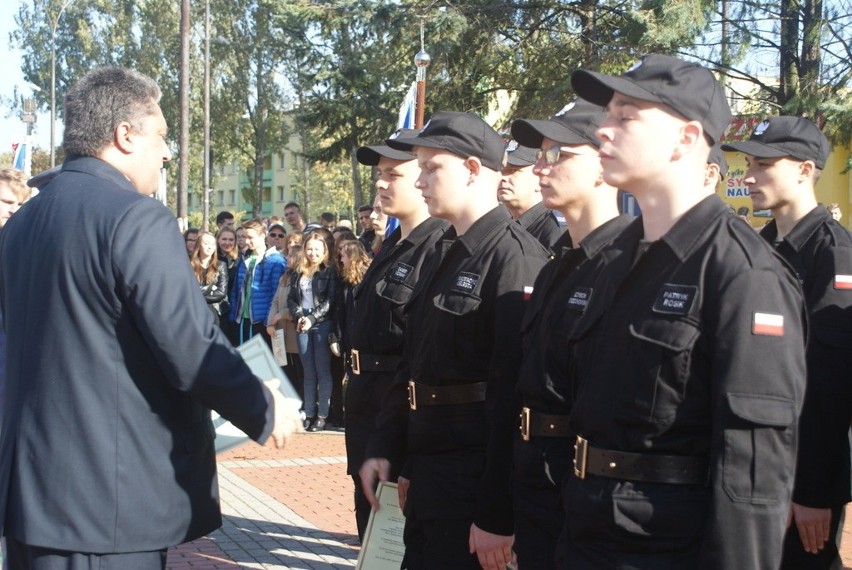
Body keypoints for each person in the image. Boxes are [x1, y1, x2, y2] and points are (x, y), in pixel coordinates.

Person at [0, 66, 298, 569]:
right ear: (124, 135)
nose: (166, 152)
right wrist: (265, 408)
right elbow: (189, 344)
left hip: (33, 496)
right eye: (160, 136)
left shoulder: (23, 221)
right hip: (105, 505)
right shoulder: (134, 215)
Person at [557, 53, 807, 569]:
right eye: (608, 115)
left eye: (626, 116)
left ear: (686, 140)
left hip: (665, 551)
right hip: (588, 536)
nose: (604, 129)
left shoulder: (744, 274)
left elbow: (752, 479)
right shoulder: (617, 259)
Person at [360, 112, 548, 569]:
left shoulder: (515, 259)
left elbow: (512, 398)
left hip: (472, 481)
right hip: (430, 473)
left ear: (470, 169)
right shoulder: (447, 252)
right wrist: (396, 454)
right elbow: (417, 364)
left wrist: (495, 513)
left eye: (431, 167)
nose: (420, 180)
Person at [507, 98, 633, 568]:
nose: (540, 166)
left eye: (558, 154)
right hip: (537, 481)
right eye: (540, 154)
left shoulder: (630, 264)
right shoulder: (557, 263)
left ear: (604, 165)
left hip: (584, 491)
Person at [723, 116, 852, 570]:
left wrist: (813, 490)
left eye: (763, 164)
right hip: (757, 471)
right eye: (747, 164)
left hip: (802, 480)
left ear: (803, 169)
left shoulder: (832, 252)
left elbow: (828, 383)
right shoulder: (764, 248)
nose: (748, 176)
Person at [340, 129, 449, 540]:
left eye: (393, 174)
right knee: (369, 525)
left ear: (422, 177)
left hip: (396, 405)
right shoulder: (392, 245)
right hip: (367, 403)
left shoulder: (437, 246)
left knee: (396, 535)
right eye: (378, 175)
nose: (381, 184)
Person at [287, 231, 337, 432]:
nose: (313, 253)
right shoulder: (298, 271)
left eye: (317, 249)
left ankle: (322, 415)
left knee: (323, 371)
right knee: (308, 372)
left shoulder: (329, 270)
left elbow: (330, 301)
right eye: (309, 249)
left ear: (324, 250)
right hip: (301, 322)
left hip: (321, 323)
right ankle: (308, 413)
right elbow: (291, 298)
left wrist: (312, 318)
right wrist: (299, 315)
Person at [229, 218, 287, 345]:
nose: (246, 241)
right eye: (244, 237)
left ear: (263, 235)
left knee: (261, 363)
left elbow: (276, 295)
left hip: (261, 322)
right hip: (242, 319)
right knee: (244, 360)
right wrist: (233, 313)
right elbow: (236, 290)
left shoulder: (276, 261)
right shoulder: (244, 258)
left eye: (250, 237)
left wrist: (269, 322)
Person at [499, 141, 565, 253]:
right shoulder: (502, 221)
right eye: (502, 170)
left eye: (514, 170)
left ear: (540, 177)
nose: (503, 177)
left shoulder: (554, 230)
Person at [267, 243, 305, 417]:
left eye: (291, 256)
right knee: (284, 369)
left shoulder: (302, 277)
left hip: (294, 330)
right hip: (279, 331)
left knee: (299, 370)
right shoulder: (284, 277)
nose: (287, 258)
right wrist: (270, 322)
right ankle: (288, 402)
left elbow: (300, 304)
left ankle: (302, 404)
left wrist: (283, 315)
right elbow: (275, 300)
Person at [190, 231, 229, 326]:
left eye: (213, 244)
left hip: (215, 311)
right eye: (206, 243)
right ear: (199, 245)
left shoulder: (220, 265)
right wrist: (210, 288)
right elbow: (187, 291)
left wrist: (197, 295)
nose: (210, 247)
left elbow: (221, 292)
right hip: (194, 311)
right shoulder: (189, 265)